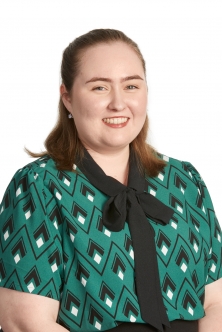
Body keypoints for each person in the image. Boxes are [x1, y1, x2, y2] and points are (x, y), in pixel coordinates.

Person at [0, 28, 221, 332]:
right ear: (67, 97)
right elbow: (25, 323)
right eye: (100, 88)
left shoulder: (185, 181)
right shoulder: (39, 187)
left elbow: (216, 303)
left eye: (131, 86)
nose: (118, 103)